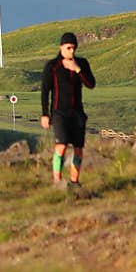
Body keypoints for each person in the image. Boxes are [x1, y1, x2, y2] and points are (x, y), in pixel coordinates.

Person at [40, 32, 96, 188]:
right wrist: (45, 114)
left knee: (78, 149)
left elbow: (91, 84)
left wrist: (77, 69)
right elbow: (45, 91)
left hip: (77, 113)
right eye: (68, 48)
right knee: (62, 145)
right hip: (59, 113)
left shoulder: (82, 63)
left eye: (74, 48)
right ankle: (57, 181)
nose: (72, 51)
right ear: (61, 47)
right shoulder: (52, 66)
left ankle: (74, 181)